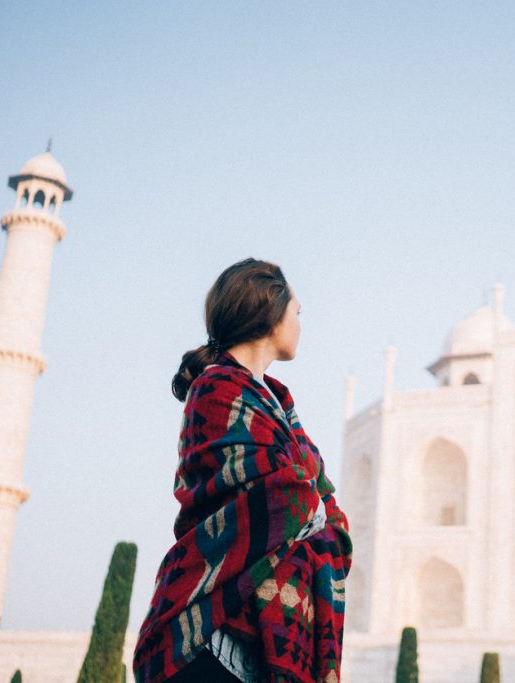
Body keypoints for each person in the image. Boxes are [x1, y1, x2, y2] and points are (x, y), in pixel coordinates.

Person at [133, 259, 352, 683]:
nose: (301, 324)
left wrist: (311, 506)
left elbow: (330, 518)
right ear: (271, 313)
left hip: (265, 653)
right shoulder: (216, 391)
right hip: (211, 641)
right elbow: (294, 500)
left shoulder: (281, 410)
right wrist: (311, 506)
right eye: (297, 313)